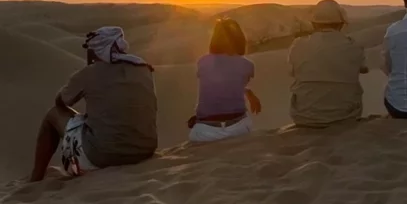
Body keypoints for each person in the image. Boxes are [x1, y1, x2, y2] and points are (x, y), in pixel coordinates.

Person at [29, 26, 157, 182]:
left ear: (96, 51)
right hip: (145, 150)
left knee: (52, 115)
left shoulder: (89, 73)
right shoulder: (143, 68)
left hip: (104, 155)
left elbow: (60, 101)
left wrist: (86, 73)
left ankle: (35, 178)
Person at [288, 0, 369, 128]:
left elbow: (292, 72)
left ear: (314, 23)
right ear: (341, 24)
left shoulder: (298, 45)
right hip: (345, 117)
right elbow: (364, 69)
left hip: (304, 117)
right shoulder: (353, 45)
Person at [188, 17, 261, 142]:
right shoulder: (248, 65)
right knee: (247, 119)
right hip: (238, 129)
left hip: (205, 132)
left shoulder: (203, 62)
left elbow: (219, 82)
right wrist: (248, 91)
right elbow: (233, 83)